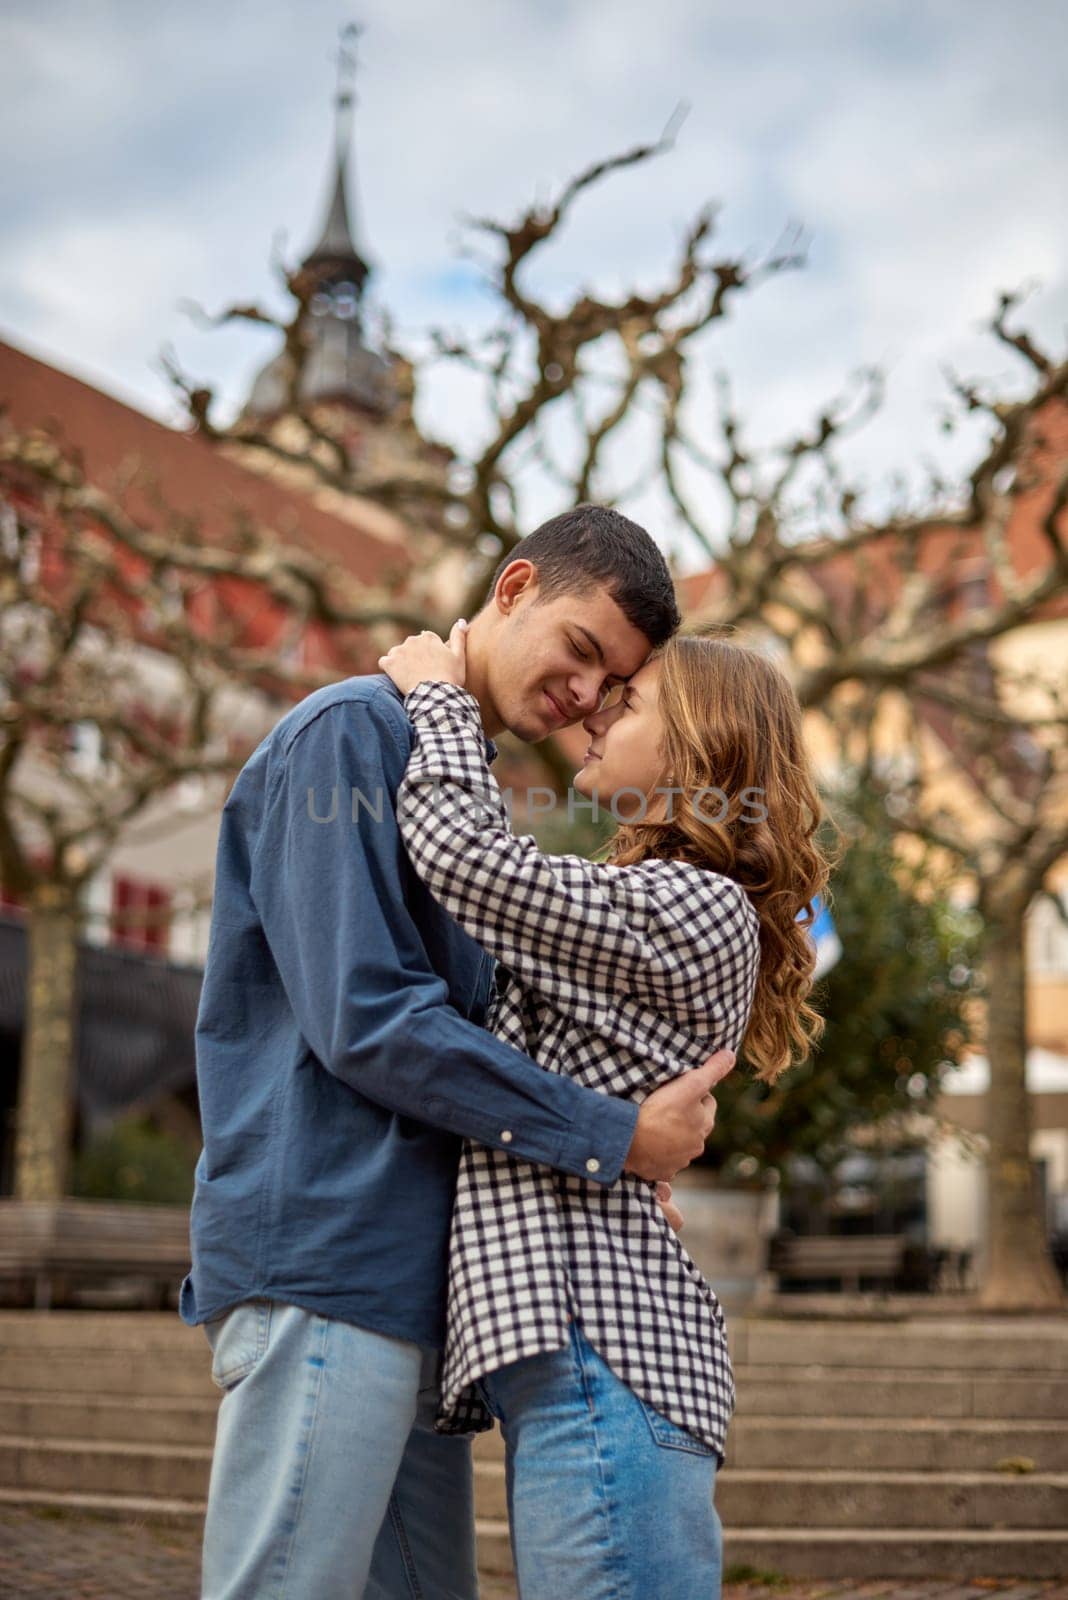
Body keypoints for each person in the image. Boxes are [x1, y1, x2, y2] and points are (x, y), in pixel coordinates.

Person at [182, 504, 736, 1600]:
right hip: (328, 1257)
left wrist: (611, 1143)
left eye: (612, 683)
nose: (583, 695)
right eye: (582, 650)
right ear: (517, 586)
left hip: (420, 1289)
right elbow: (370, 1020)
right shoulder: (354, 735)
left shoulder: (457, 782)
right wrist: (611, 1136)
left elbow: (485, 1036)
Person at [380, 622, 830, 1600]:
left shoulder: (694, 903)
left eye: (625, 704)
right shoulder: (651, 897)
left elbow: (465, 859)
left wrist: (438, 696)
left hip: (610, 1362)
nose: (591, 712)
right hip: (595, 1365)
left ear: (696, 747)